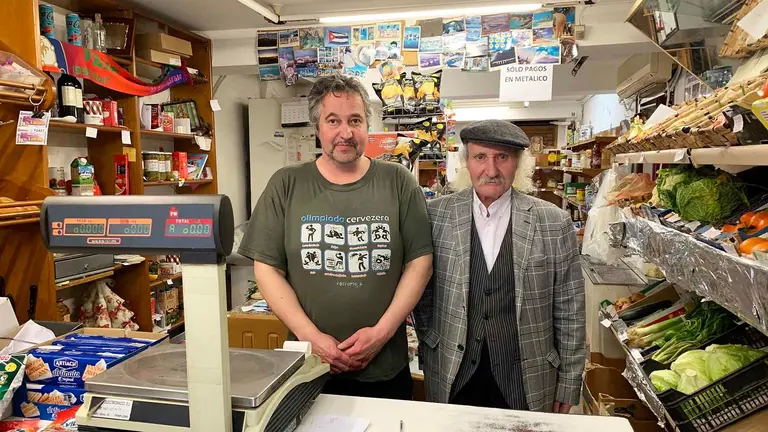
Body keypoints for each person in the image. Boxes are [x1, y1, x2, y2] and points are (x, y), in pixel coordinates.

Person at [238, 74, 433, 400]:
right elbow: (268, 269)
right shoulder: (286, 184)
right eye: (333, 120)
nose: (346, 132)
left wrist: (381, 334)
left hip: (384, 370)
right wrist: (309, 336)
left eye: (355, 120)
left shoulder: (398, 181)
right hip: (307, 367)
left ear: (367, 126)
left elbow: (420, 263)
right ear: (318, 128)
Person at [413, 120, 586, 412]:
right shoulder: (434, 215)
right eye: (480, 157)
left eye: (502, 158)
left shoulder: (553, 222)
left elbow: (570, 309)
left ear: (518, 164)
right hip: (453, 372)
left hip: (526, 378)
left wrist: (569, 382)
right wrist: (431, 339)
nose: (491, 170)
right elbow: (422, 290)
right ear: (466, 161)